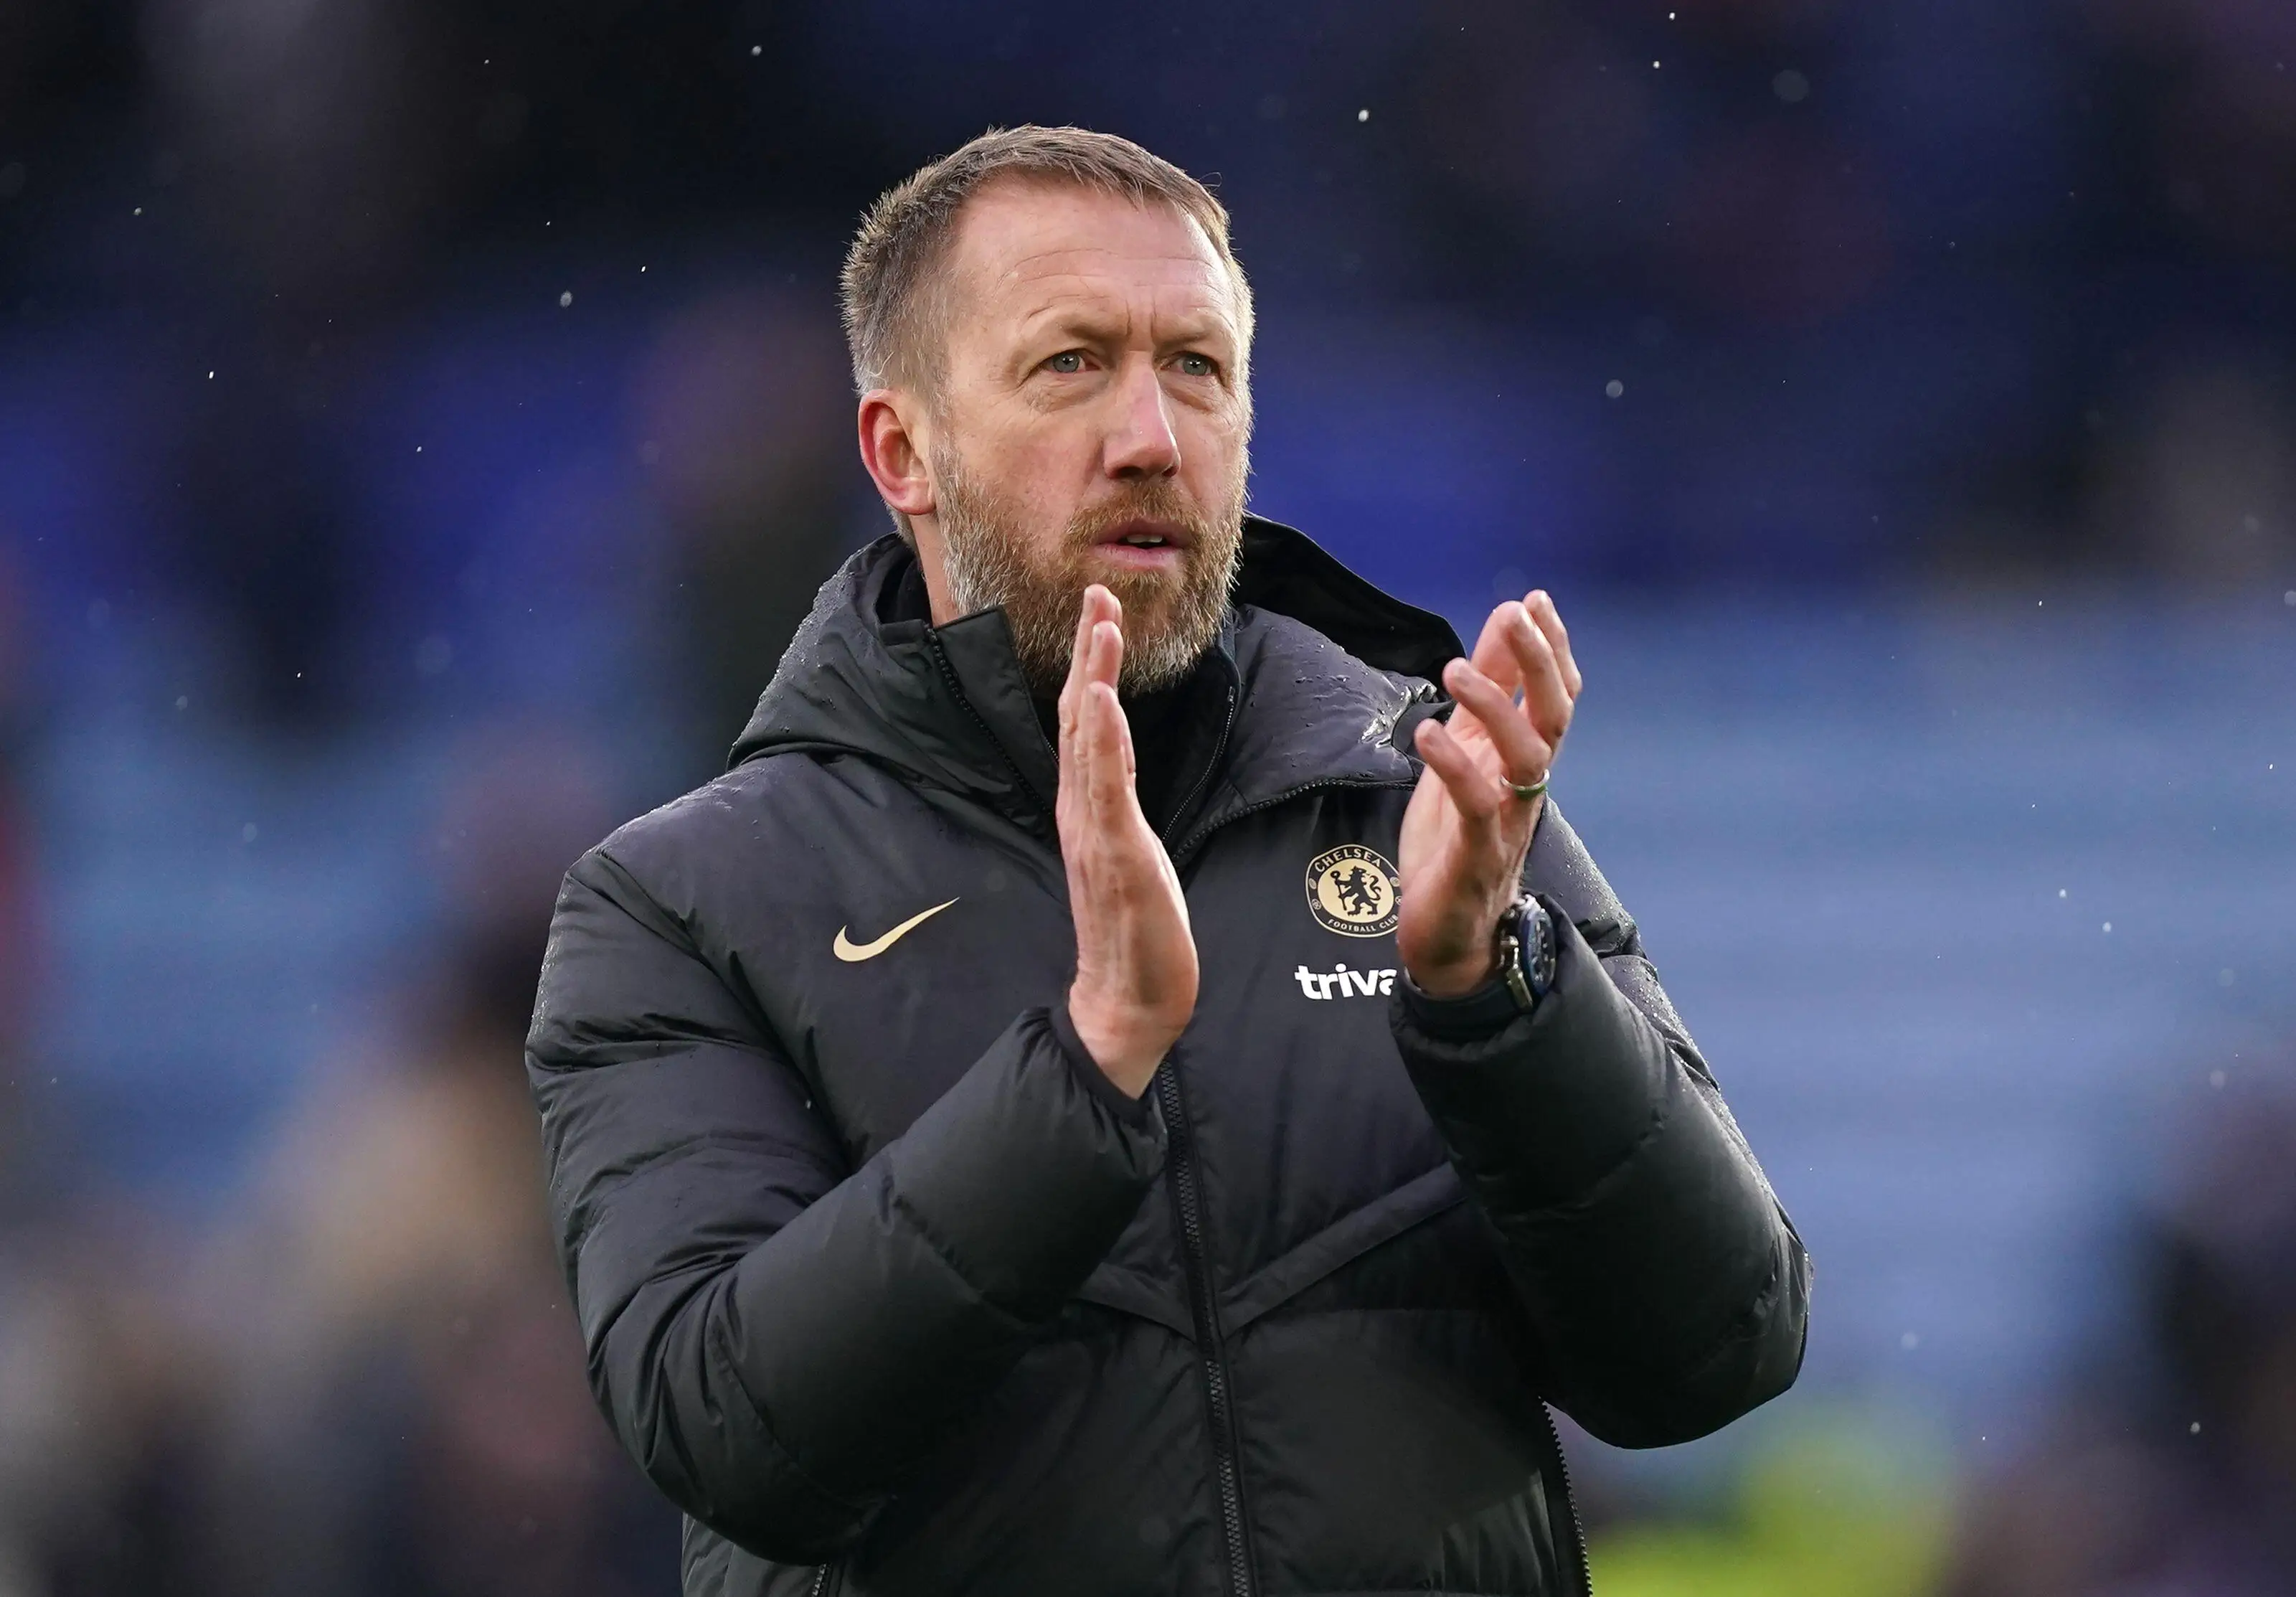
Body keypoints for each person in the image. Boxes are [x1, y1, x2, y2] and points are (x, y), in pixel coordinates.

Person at [527, 126, 1810, 1597]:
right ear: (904, 452)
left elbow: (1717, 1354)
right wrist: (1087, 1065)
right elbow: (732, 1435)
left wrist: (1499, 998)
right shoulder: (683, 903)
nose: (1151, 433)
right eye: (1071, 362)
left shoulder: (1421, 796)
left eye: (1196, 367)